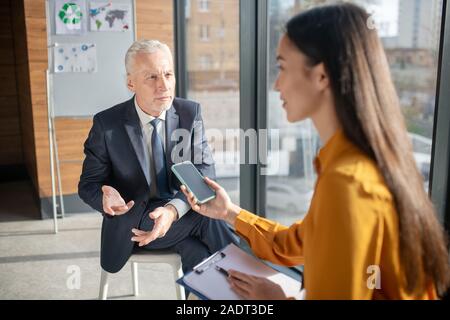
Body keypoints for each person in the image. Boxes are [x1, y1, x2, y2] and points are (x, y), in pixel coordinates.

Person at [181, 3, 450, 300]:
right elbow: (297, 243)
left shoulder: (347, 182)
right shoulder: (360, 162)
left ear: (322, 76)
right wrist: (228, 212)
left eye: (282, 67)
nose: (277, 84)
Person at [78, 39, 238, 277]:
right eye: (151, 77)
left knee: (196, 251)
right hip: (136, 219)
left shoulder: (189, 112)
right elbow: (88, 185)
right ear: (130, 83)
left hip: (178, 210)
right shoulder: (107, 124)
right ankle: (255, 280)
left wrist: (172, 211)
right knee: (209, 219)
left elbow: (204, 170)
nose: (163, 86)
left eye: (168, 74)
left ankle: (216, 296)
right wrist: (105, 198)